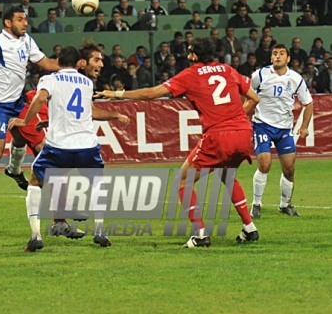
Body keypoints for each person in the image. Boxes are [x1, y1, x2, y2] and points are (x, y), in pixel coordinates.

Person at [95, 38, 261, 248]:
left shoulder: (190, 75)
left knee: (181, 181)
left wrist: (118, 93)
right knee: (227, 174)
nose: (188, 56)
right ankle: (249, 227)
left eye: (191, 53)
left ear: (195, 55)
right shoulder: (228, 69)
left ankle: (200, 235)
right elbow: (254, 99)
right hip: (244, 132)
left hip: (219, 135)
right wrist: (234, 120)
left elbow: (152, 93)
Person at [8, 46, 129, 252]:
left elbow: (39, 100)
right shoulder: (86, 83)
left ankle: (35, 236)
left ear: (58, 61)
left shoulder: (49, 79)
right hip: (87, 146)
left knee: (35, 182)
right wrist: (116, 115)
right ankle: (99, 231)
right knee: (97, 185)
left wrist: (24, 120)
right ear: (77, 63)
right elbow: (86, 112)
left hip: (60, 147)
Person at [0, 7, 60, 226]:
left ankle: (15, 170)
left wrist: (71, 66)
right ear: (8, 23)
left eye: (25, 19)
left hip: (19, 104)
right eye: (19, 19)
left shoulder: (27, 40)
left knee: (38, 145)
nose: (25, 23)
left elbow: (45, 63)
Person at [245, 44, 313, 219]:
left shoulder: (295, 78)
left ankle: (284, 205)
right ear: (271, 58)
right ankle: (256, 204)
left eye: (282, 54)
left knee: (289, 169)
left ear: (288, 59)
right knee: (264, 164)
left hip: (284, 128)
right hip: (262, 125)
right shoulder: (259, 75)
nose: (278, 56)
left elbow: (308, 103)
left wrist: (304, 126)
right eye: (275, 54)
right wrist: (241, 115)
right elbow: (244, 92)